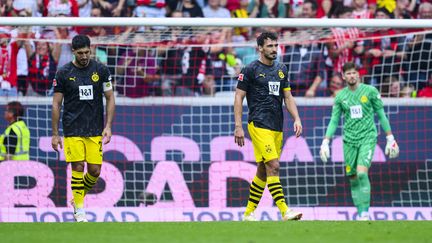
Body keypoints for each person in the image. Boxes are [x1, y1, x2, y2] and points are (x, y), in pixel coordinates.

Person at [234, 32, 303, 221]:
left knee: (263, 170)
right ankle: (285, 211)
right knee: (274, 165)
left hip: (277, 126)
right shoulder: (250, 70)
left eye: (276, 45)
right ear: (260, 48)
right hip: (258, 123)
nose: (274, 49)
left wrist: (296, 118)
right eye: (270, 46)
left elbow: (287, 97)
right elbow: (239, 97)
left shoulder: (282, 69)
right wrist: (238, 126)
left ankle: (248, 213)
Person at [319, 62, 399, 221]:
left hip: (367, 138)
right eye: (348, 73)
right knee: (353, 178)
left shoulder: (370, 91)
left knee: (362, 173)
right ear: (343, 76)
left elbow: (381, 115)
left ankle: (365, 213)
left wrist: (390, 138)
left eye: (354, 73)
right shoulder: (340, 96)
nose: (351, 76)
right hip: (349, 141)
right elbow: (334, 121)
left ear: (358, 74)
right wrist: (325, 142)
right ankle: (360, 212)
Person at [51, 34, 115, 222]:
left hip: (95, 128)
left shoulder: (101, 70)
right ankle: (80, 211)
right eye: (80, 53)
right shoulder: (63, 73)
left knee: (95, 171)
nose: (85, 56)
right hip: (72, 127)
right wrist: (55, 134)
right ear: (73, 52)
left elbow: (110, 97)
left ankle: (77, 197)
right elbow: (56, 104)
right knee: (77, 166)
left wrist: (109, 126)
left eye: (87, 52)